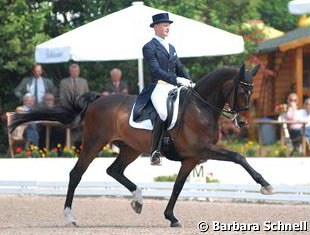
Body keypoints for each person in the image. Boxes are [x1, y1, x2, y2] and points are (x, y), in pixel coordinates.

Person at [136, 13, 193, 165]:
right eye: (164, 25)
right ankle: (155, 151)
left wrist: (190, 81)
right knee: (162, 113)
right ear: (155, 27)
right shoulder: (149, 47)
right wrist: (176, 79)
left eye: (169, 25)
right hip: (159, 86)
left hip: (174, 86)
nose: (168, 27)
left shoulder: (171, 47)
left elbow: (179, 67)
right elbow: (155, 70)